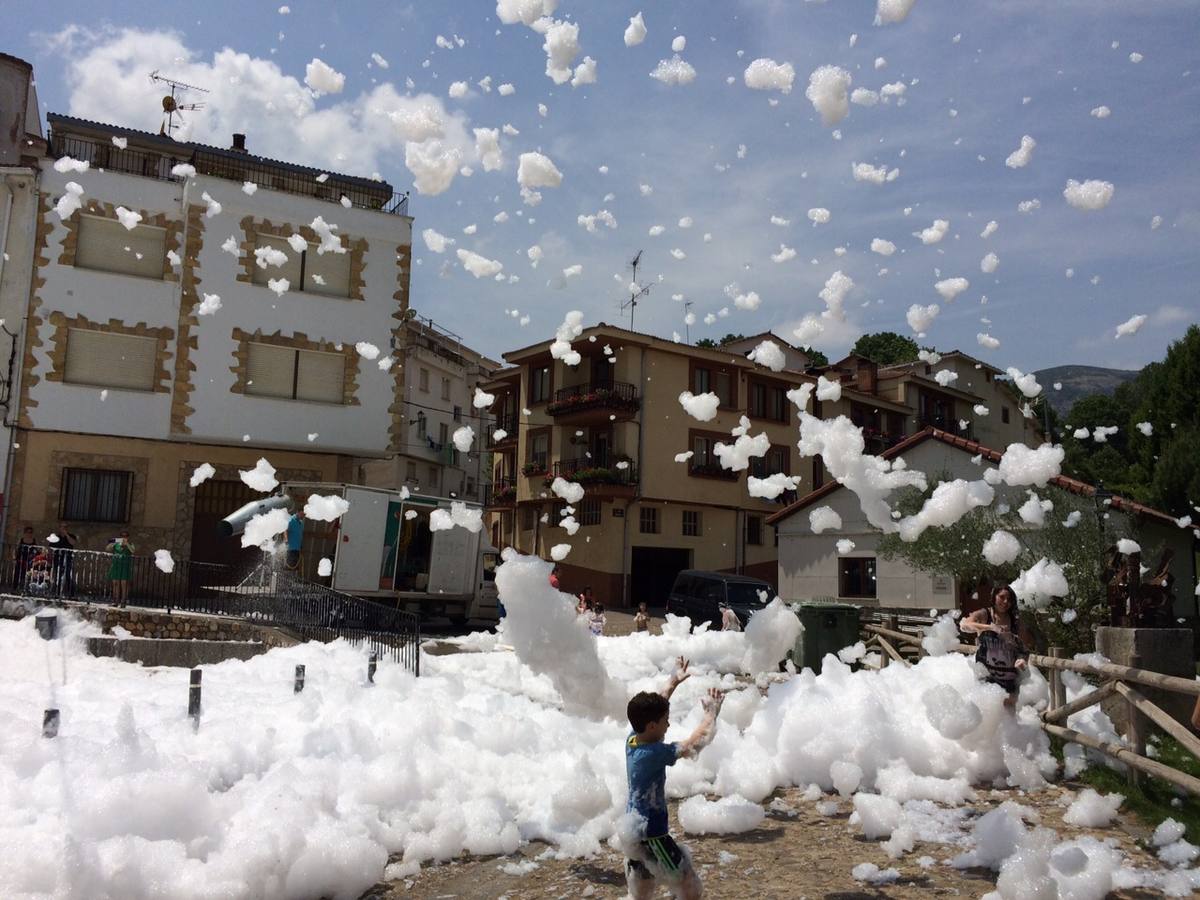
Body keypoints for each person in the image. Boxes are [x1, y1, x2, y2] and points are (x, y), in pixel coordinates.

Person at [624, 657, 724, 900]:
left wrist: (672, 683)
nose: (668, 724)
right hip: (653, 835)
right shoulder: (653, 753)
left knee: (642, 892)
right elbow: (691, 745)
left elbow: (654, 706)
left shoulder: (633, 739)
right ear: (650, 726)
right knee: (690, 888)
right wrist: (711, 714)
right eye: (664, 721)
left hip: (636, 831)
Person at [961, 585, 1030, 708]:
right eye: (1002, 597)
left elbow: (1024, 648)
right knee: (988, 710)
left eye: (1009, 599)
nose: (1005, 602)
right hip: (986, 673)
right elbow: (965, 625)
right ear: (994, 597)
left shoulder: (1016, 621)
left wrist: (1022, 659)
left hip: (1009, 676)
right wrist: (990, 627)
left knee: (1008, 713)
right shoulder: (985, 614)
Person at [106, 531, 136, 607]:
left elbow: (133, 551)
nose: (124, 537)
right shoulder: (116, 544)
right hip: (116, 565)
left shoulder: (130, 544)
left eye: (125, 536)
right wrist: (112, 543)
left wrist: (127, 544)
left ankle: (123, 601)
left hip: (125, 566)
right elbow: (107, 549)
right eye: (122, 536)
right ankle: (115, 601)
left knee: (124, 584)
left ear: (128, 537)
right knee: (115, 583)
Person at [50, 522, 79, 597]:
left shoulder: (71, 536)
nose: (64, 529)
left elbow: (73, 543)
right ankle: (57, 593)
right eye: (62, 527)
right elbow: (51, 547)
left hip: (68, 559)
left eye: (65, 527)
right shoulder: (56, 537)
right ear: (59, 528)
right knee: (58, 575)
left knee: (68, 576)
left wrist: (66, 535)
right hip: (58, 558)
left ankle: (71, 594)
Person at [13, 526, 38, 591]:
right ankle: (15, 588)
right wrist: (14, 558)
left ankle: (24, 589)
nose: (29, 534)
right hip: (20, 560)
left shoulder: (34, 541)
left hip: (29, 561)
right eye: (28, 532)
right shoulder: (21, 540)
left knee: (26, 575)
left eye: (30, 532)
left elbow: (37, 550)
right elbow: (16, 549)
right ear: (25, 533)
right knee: (17, 574)